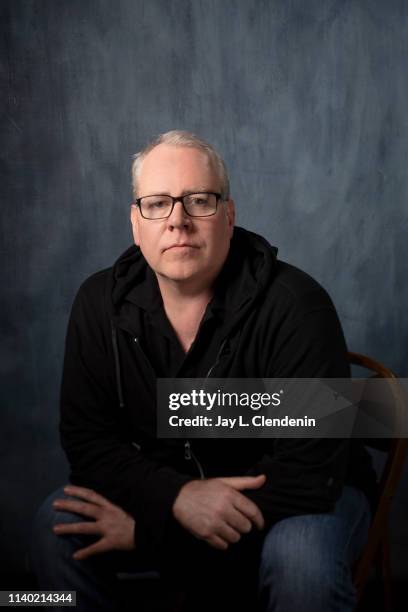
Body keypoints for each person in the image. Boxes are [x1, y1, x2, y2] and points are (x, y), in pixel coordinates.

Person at [31, 130, 376, 611]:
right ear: (136, 223)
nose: (178, 221)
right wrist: (177, 498)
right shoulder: (97, 304)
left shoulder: (297, 304)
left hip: (300, 498)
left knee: (300, 559)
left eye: (199, 200)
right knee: (57, 525)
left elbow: (309, 470)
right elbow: (89, 442)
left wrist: (152, 533)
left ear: (229, 216)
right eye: (157, 204)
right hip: (174, 491)